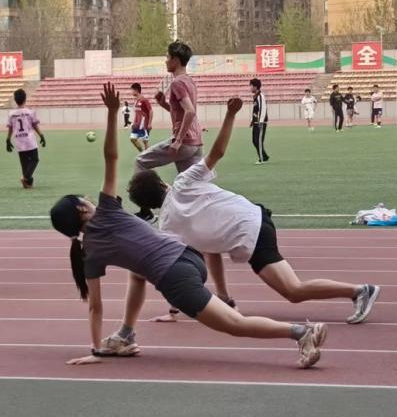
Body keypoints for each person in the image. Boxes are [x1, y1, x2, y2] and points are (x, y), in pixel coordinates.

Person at [49, 83, 327, 369]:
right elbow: (111, 157)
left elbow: (95, 307)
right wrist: (112, 113)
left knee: (234, 324)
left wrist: (95, 350)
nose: (87, 198)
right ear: (82, 208)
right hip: (189, 257)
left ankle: (301, 332)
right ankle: (126, 334)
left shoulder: (89, 253)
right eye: (83, 198)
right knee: (137, 272)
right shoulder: (108, 209)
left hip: (174, 274)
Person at [122, 93, 381, 328]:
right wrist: (230, 114)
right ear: (162, 184)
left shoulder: (168, 228)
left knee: (293, 291)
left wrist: (174, 308)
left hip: (251, 232)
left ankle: (359, 291)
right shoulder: (183, 182)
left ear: (149, 204)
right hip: (254, 217)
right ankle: (225, 297)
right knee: (212, 248)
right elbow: (217, 152)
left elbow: (180, 271)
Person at [135, 42, 203, 174]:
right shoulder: (190, 81)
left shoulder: (177, 83)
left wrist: (178, 141)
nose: (165, 61)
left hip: (184, 143)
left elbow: (190, 111)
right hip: (196, 142)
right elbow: (183, 112)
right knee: (188, 183)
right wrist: (163, 103)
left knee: (140, 162)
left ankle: (156, 187)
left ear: (175, 60)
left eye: (167, 57)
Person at [6, 89, 46, 189]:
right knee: (35, 159)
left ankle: (28, 184)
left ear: (15, 100)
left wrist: (8, 140)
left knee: (24, 164)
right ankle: (25, 178)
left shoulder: (11, 114)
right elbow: (35, 125)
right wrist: (41, 135)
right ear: (25, 99)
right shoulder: (30, 112)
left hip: (19, 141)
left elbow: (10, 128)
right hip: (29, 141)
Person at [250, 78, 269, 165]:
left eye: (251, 86)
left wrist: (261, 121)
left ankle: (261, 159)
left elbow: (263, 108)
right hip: (256, 122)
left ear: (255, 87)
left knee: (259, 141)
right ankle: (264, 156)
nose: (250, 88)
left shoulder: (260, 96)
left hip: (260, 123)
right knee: (254, 141)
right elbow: (255, 110)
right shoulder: (255, 96)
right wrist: (252, 120)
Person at [128, 83, 153, 152]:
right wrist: (134, 123)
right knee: (132, 139)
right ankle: (143, 153)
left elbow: (151, 111)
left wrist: (149, 123)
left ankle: (147, 156)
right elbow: (137, 113)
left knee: (145, 142)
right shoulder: (136, 100)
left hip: (144, 125)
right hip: (136, 125)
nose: (131, 92)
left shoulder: (144, 100)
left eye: (132, 90)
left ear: (136, 90)